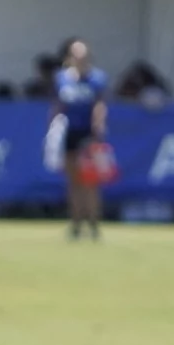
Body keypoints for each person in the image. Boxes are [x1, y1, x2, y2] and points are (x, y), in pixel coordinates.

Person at [53, 40, 108, 241]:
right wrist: (52, 129)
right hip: (69, 133)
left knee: (90, 181)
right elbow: (58, 105)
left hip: (88, 133)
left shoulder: (96, 79)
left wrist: (98, 128)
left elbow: (99, 105)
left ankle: (93, 224)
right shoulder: (62, 79)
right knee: (73, 180)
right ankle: (75, 224)